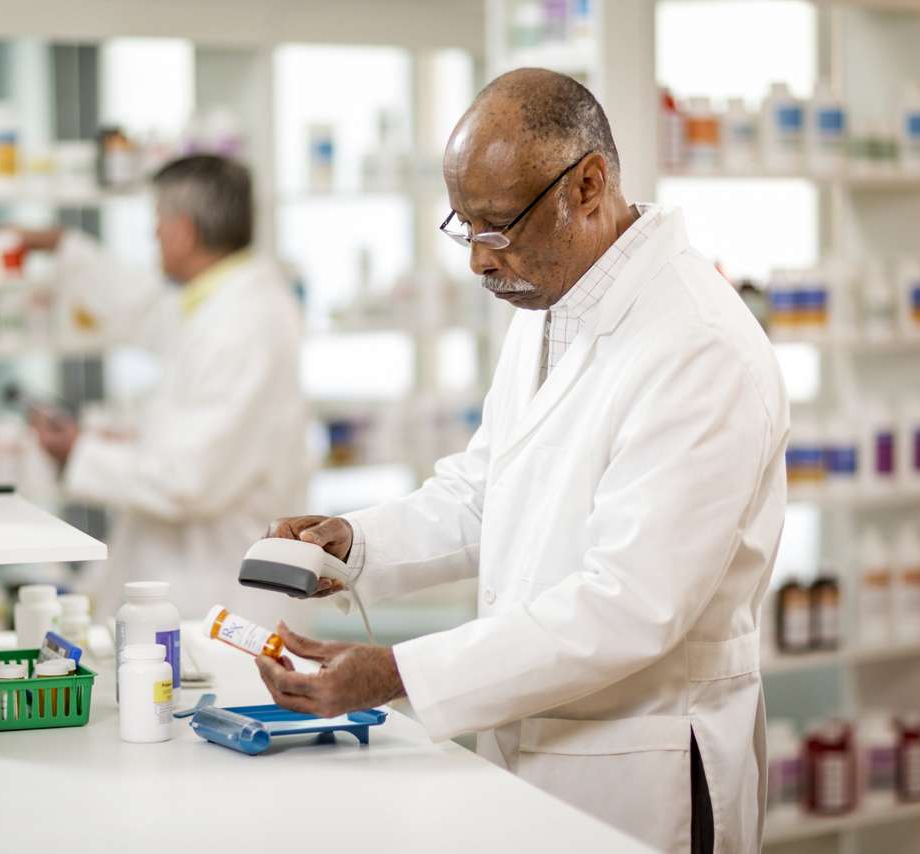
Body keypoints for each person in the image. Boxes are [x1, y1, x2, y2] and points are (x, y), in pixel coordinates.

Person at [255, 69, 789, 854]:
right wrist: (356, 542)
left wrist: (398, 672)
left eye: (496, 225)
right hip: (531, 744)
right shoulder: (555, 296)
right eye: (463, 226)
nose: (477, 259)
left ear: (589, 185)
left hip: (644, 767)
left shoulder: (697, 348)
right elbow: (487, 489)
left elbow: (629, 605)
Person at [9, 154, 310, 626]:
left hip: (217, 592)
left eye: (157, 224)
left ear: (184, 231)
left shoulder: (243, 324)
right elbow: (147, 308)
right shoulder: (219, 300)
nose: (153, 237)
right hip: (192, 585)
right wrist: (63, 246)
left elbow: (187, 480)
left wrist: (79, 452)